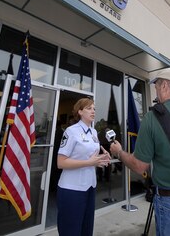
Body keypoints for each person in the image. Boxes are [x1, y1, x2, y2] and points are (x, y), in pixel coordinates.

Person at [110, 67, 170, 236]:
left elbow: (139, 166)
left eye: (156, 87)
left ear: (164, 85)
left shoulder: (153, 118)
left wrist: (119, 152)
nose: (156, 92)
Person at [57, 97, 111, 236]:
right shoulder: (71, 131)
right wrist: (89, 163)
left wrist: (103, 155)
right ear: (80, 111)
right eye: (89, 108)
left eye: (94, 108)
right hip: (71, 189)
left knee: (86, 229)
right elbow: (61, 162)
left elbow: (89, 153)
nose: (93, 111)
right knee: (71, 230)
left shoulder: (93, 132)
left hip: (89, 187)